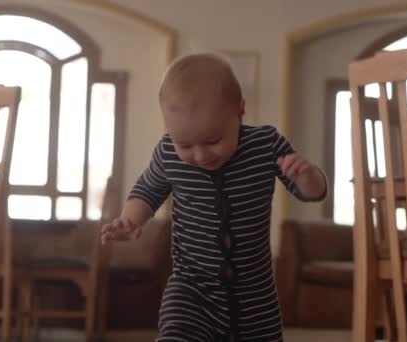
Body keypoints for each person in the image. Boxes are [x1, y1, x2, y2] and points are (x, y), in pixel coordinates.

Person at [101, 53, 327, 341]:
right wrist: (129, 220)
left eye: (213, 141)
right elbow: (147, 189)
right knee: (176, 333)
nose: (200, 154)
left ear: (240, 111)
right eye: (185, 144)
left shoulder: (265, 145)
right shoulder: (168, 152)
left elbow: (312, 193)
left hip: (254, 294)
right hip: (191, 286)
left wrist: (307, 178)